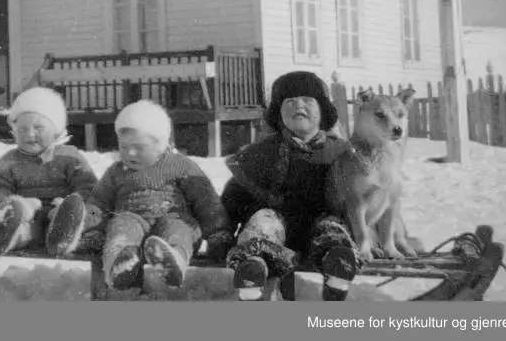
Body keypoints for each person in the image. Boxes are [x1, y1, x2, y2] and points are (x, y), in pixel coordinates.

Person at [221, 70, 363, 301]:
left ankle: (337, 268)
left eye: (307, 100)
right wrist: (222, 232)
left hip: (320, 224)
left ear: (322, 111)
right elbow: (235, 195)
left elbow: (363, 196)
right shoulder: (263, 153)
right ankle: (252, 273)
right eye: (289, 102)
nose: (299, 105)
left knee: (333, 227)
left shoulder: (341, 152)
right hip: (277, 229)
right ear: (278, 112)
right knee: (262, 222)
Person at [81, 100, 233, 290]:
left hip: (172, 216)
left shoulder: (179, 165)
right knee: (120, 226)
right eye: (124, 146)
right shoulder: (116, 172)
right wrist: (91, 230)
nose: (130, 153)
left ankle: (174, 260)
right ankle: (121, 264)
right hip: (132, 220)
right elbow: (99, 202)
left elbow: (205, 199)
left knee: (179, 228)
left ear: (160, 144)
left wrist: (218, 232)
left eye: (139, 147)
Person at [0, 86, 100, 259]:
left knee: (82, 217)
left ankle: (64, 232)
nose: (30, 134)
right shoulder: (10, 161)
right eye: (22, 129)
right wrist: (16, 204)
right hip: (29, 219)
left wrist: (70, 204)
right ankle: (6, 234)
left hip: (59, 216)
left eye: (38, 127)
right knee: (23, 229)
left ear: (56, 129)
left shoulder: (69, 157)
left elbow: (89, 188)